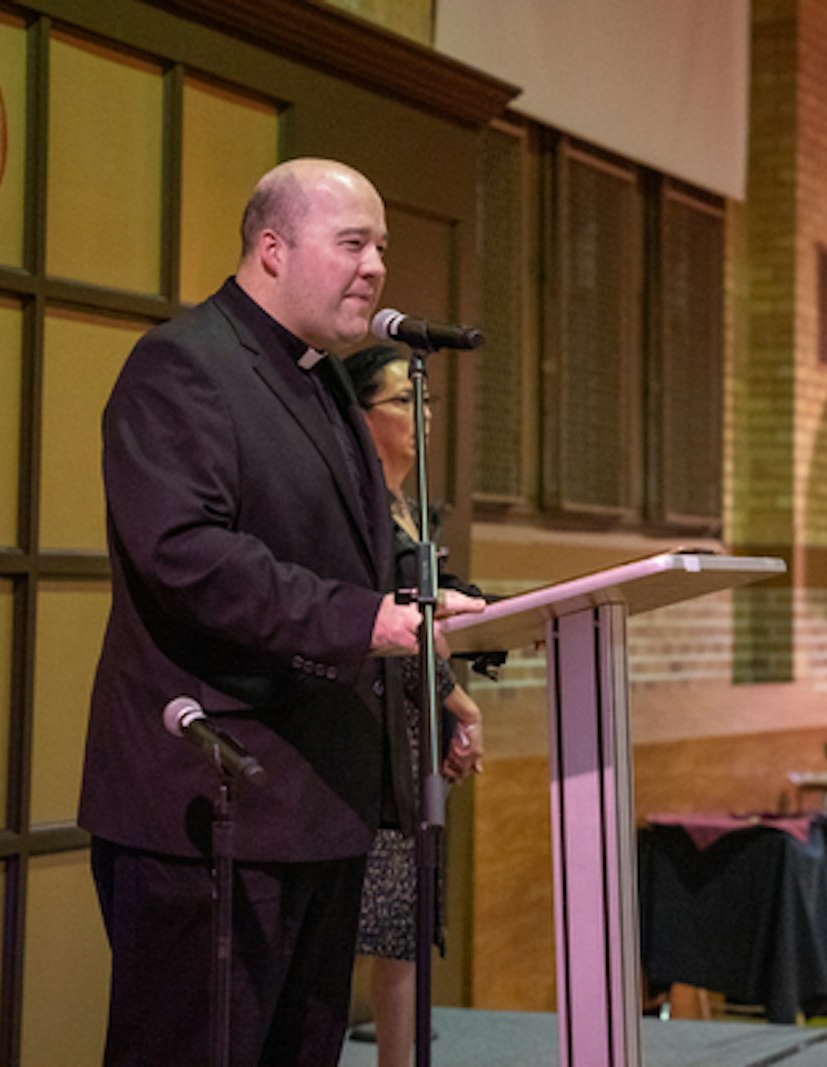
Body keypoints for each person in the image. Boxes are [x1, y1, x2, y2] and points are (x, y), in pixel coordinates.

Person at [78, 158, 482, 1066]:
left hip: (319, 798)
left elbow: (367, 537)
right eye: (353, 244)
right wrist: (364, 622)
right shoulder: (182, 365)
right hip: (214, 795)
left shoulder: (323, 378)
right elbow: (187, 553)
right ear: (271, 247)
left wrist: (440, 603)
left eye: (381, 245)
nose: (376, 266)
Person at [343, 344, 487, 1067]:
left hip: (414, 732)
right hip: (370, 738)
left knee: (403, 926)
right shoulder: (358, 503)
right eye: (404, 401)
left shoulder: (409, 505)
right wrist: (458, 700)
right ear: (360, 414)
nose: (422, 415)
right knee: (372, 921)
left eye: (425, 401)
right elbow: (394, 620)